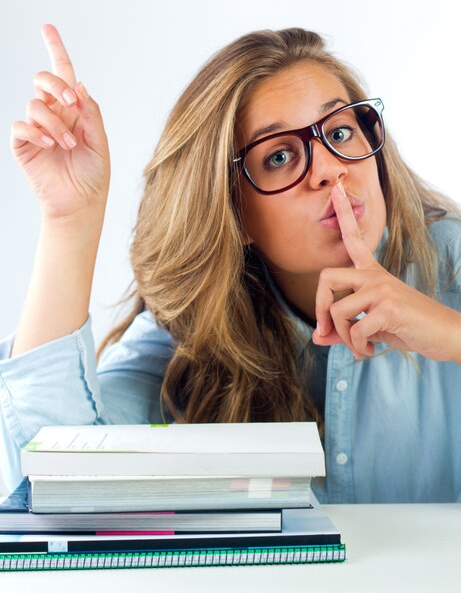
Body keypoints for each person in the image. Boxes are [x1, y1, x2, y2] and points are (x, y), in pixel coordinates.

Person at [1, 25, 460, 503]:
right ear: (233, 213)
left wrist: (451, 334)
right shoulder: (192, 340)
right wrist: (69, 219)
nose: (330, 168)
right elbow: (50, 474)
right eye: (280, 156)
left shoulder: (452, 262)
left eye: (340, 131)